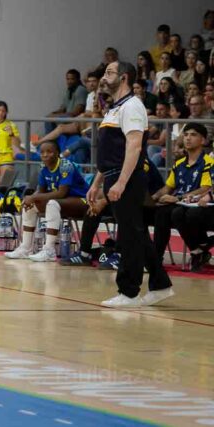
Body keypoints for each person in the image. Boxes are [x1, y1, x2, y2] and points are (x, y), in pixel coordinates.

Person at [86, 61, 173, 308]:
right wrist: (97, 183)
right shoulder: (114, 108)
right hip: (113, 175)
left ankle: (129, 292)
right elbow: (109, 152)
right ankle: (161, 285)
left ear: (123, 77)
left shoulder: (132, 106)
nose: (104, 77)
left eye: (109, 73)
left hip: (128, 177)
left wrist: (121, 182)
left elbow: (133, 147)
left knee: (129, 235)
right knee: (136, 232)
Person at [5, 141, 92, 262]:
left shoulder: (66, 165)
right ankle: (25, 248)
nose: (45, 155)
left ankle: (49, 250)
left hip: (82, 200)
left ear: (57, 153)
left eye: (49, 152)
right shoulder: (43, 167)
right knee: (30, 206)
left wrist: (33, 197)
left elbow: (61, 193)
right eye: (42, 152)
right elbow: (41, 191)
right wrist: (30, 199)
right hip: (62, 202)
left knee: (52, 203)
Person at [151, 123, 211, 262]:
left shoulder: (208, 162)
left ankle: (197, 250)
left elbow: (205, 189)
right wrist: (154, 197)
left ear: (203, 140)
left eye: (193, 135)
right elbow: (168, 187)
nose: (188, 138)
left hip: (198, 205)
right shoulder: (179, 163)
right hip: (180, 203)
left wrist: (178, 198)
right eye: (186, 135)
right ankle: (156, 257)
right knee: (161, 212)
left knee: (177, 213)